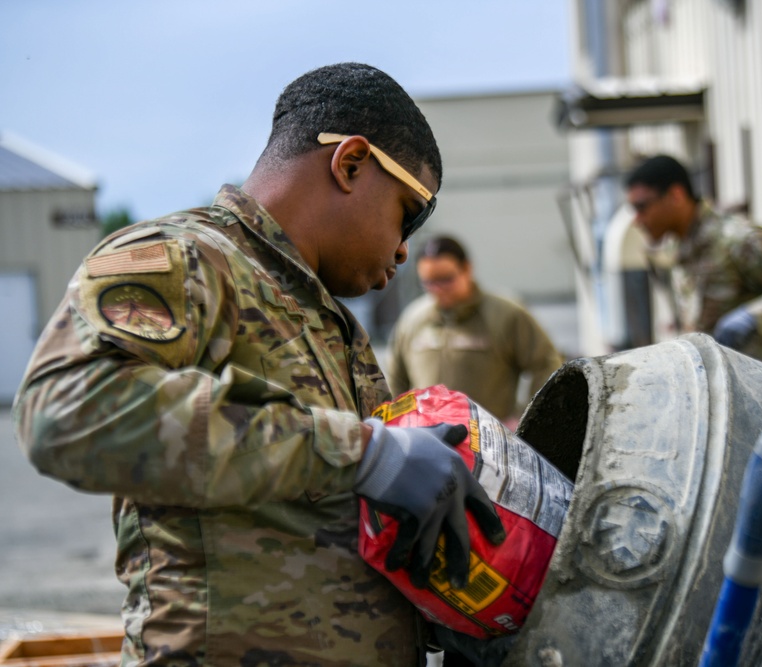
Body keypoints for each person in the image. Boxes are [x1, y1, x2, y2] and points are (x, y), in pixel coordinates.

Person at [12, 63, 506, 666]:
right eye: (409, 212)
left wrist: (435, 613)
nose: (405, 248)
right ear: (350, 163)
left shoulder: (324, 318)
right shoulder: (187, 259)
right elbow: (65, 411)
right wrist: (360, 454)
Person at [625, 155, 762, 376]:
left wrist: (754, 316)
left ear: (675, 195)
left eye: (642, 207)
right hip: (721, 393)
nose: (637, 220)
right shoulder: (678, 251)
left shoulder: (737, 240)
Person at [385, 235, 564, 428]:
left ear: (467, 269)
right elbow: (396, 379)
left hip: (490, 445)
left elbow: (546, 363)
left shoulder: (504, 315)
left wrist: (527, 420)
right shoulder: (413, 320)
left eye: (446, 279)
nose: (438, 289)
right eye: (428, 282)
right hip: (428, 443)